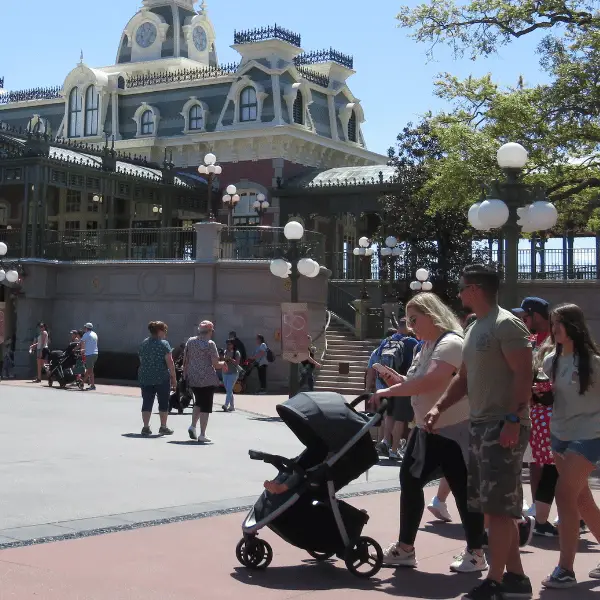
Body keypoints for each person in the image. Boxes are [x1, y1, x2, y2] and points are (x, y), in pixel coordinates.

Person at [425, 265, 534, 600]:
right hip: (482, 425)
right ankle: (515, 578)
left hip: (503, 425)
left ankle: (497, 582)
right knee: (492, 508)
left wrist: (514, 420)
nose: (458, 295)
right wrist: (439, 406)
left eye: (461, 289)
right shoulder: (473, 327)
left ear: (474, 289)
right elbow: (464, 378)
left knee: (500, 509)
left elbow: (524, 373)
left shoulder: (506, 324)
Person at [372, 292, 487, 573]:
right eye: (408, 320)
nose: (411, 326)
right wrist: (397, 380)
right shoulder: (424, 346)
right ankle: (406, 548)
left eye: (415, 319)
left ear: (432, 315)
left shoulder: (450, 344)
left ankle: (476, 553)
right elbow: (418, 382)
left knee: (462, 489)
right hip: (427, 428)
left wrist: (390, 390)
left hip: (453, 430)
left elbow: (431, 380)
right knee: (410, 481)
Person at [541, 304, 600, 589]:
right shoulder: (550, 360)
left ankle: (565, 569)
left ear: (573, 325)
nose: (555, 329)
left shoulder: (593, 362)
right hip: (559, 434)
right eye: (553, 324)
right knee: (581, 500)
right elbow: (547, 394)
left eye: (559, 324)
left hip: (589, 435)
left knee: (564, 495)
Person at [512, 297, 559, 537]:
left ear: (535, 315)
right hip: (534, 409)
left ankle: (559, 512)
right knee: (535, 460)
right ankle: (539, 508)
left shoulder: (554, 340)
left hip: (551, 410)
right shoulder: (529, 339)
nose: (523, 320)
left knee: (554, 463)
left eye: (526, 316)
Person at [367, 321, 418, 460]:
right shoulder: (413, 342)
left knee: (389, 414)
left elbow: (376, 362)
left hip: (388, 383)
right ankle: (394, 450)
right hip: (404, 383)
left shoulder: (386, 341)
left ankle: (385, 441)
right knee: (401, 418)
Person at [184, 320, 227, 443]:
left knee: (198, 402)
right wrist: (223, 363)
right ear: (210, 331)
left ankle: (193, 426)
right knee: (206, 406)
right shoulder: (210, 344)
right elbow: (215, 364)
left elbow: (186, 360)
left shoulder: (190, 341)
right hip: (207, 379)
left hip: (193, 377)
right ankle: (202, 434)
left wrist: (185, 374)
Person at [138, 321, 176, 437]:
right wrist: (174, 378)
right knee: (163, 401)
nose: (165, 333)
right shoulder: (164, 344)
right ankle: (163, 427)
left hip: (145, 376)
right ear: (159, 331)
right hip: (162, 377)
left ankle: (145, 427)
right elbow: (170, 362)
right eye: (164, 331)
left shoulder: (144, 343)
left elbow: (141, 359)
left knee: (147, 401)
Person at [222, 339, 241, 412]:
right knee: (228, 390)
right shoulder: (225, 352)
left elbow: (237, 363)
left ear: (233, 345)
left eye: (230, 344)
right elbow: (221, 360)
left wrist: (230, 359)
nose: (228, 345)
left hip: (233, 373)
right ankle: (232, 406)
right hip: (225, 372)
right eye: (227, 344)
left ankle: (226, 405)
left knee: (229, 389)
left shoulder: (236, 353)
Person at [80, 323, 98, 391]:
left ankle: (93, 385)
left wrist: (76, 349)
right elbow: (92, 345)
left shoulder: (86, 334)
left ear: (86, 328)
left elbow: (81, 342)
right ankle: (82, 382)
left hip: (90, 354)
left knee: (90, 371)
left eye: (85, 328)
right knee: (89, 369)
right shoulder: (95, 334)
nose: (84, 329)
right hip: (95, 354)